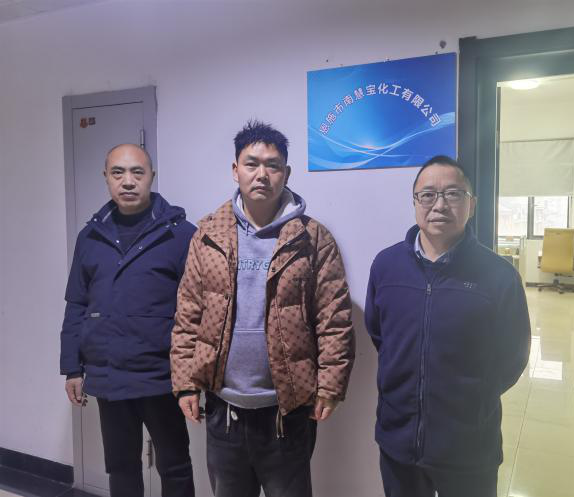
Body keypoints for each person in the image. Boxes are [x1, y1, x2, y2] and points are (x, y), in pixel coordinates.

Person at [171, 120, 355, 497]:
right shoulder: (207, 235)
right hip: (224, 410)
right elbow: (188, 313)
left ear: (286, 173)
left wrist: (330, 386)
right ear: (235, 169)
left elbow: (333, 319)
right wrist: (185, 383)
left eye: (273, 165)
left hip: (287, 412)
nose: (262, 174)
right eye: (251, 163)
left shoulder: (312, 238)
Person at [364, 155, 531, 497]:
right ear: (415, 202)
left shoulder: (499, 276)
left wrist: (474, 398)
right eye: (428, 195)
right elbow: (379, 334)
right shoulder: (386, 266)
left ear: (472, 204)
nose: (439, 205)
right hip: (398, 440)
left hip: (469, 444)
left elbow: (513, 355)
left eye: (453, 194)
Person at [60, 144, 196, 497]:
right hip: (110, 374)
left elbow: (198, 309)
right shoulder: (90, 237)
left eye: (138, 172)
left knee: (175, 465)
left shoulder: (181, 234)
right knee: (120, 467)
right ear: (106, 178)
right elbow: (76, 304)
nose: (128, 181)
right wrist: (72, 368)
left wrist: (194, 376)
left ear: (152, 176)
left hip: (162, 375)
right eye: (118, 173)